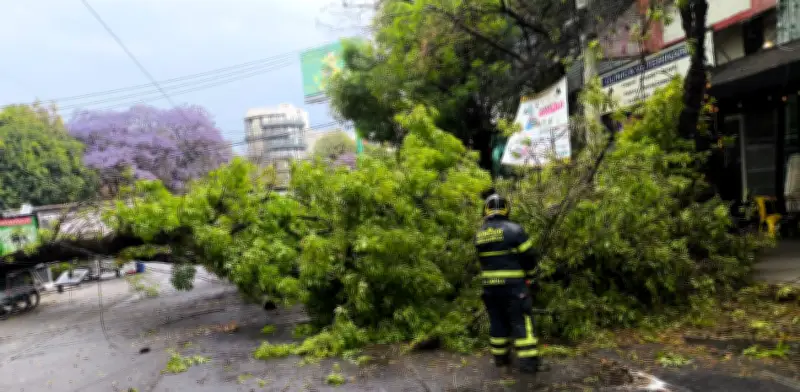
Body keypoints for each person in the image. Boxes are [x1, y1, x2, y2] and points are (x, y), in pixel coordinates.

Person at [475, 193, 543, 374]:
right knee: (522, 322)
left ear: (486, 209)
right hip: (514, 288)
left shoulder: (480, 234)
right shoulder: (515, 230)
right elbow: (529, 257)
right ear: (506, 209)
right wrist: (533, 277)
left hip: (490, 288)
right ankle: (529, 364)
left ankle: (500, 358)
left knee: (497, 321)